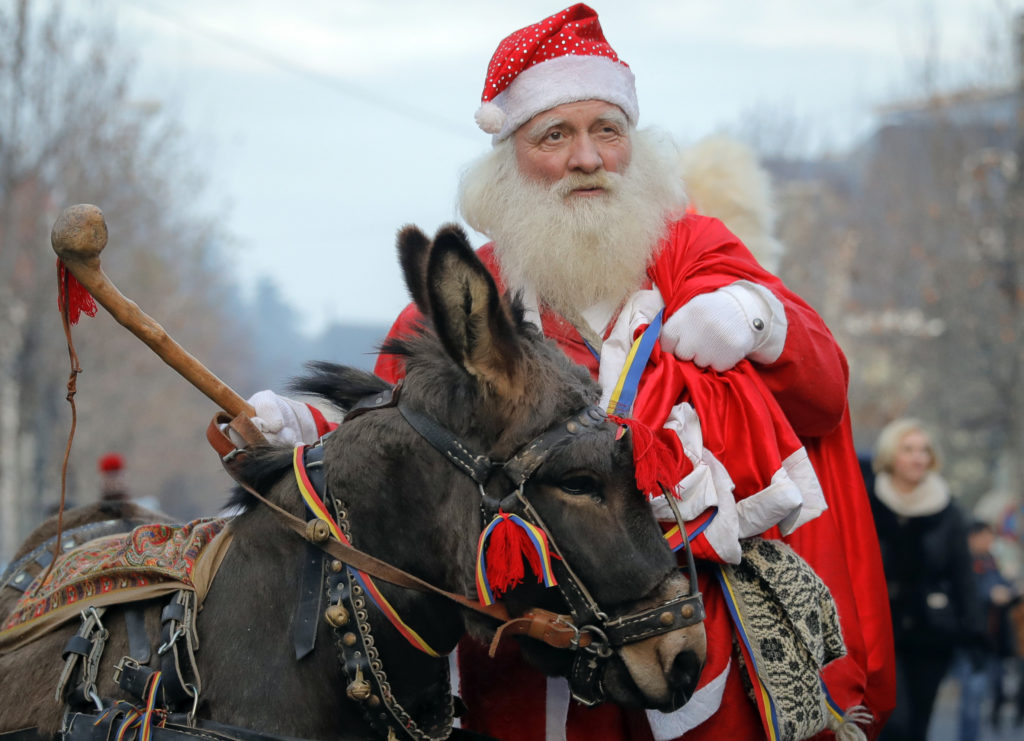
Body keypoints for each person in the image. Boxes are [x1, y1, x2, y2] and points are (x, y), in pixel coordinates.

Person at [236, 5, 895, 739]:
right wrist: (301, 427)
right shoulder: (481, 290)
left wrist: (758, 316)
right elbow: (400, 421)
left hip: (694, 647)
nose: (588, 158)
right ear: (509, 160)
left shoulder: (692, 251)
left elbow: (825, 387)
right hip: (534, 668)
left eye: (607, 131)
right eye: (556, 135)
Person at [867, 418, 979, 741]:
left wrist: (972, 629)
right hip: (879, 628)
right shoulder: (867, 500)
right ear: (891, 455)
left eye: (924, 450)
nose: (918, 457)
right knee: (892, 722)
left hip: (932, 632)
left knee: (919, 723)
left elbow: (962, 573)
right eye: (909, 449)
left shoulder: (948, 509)